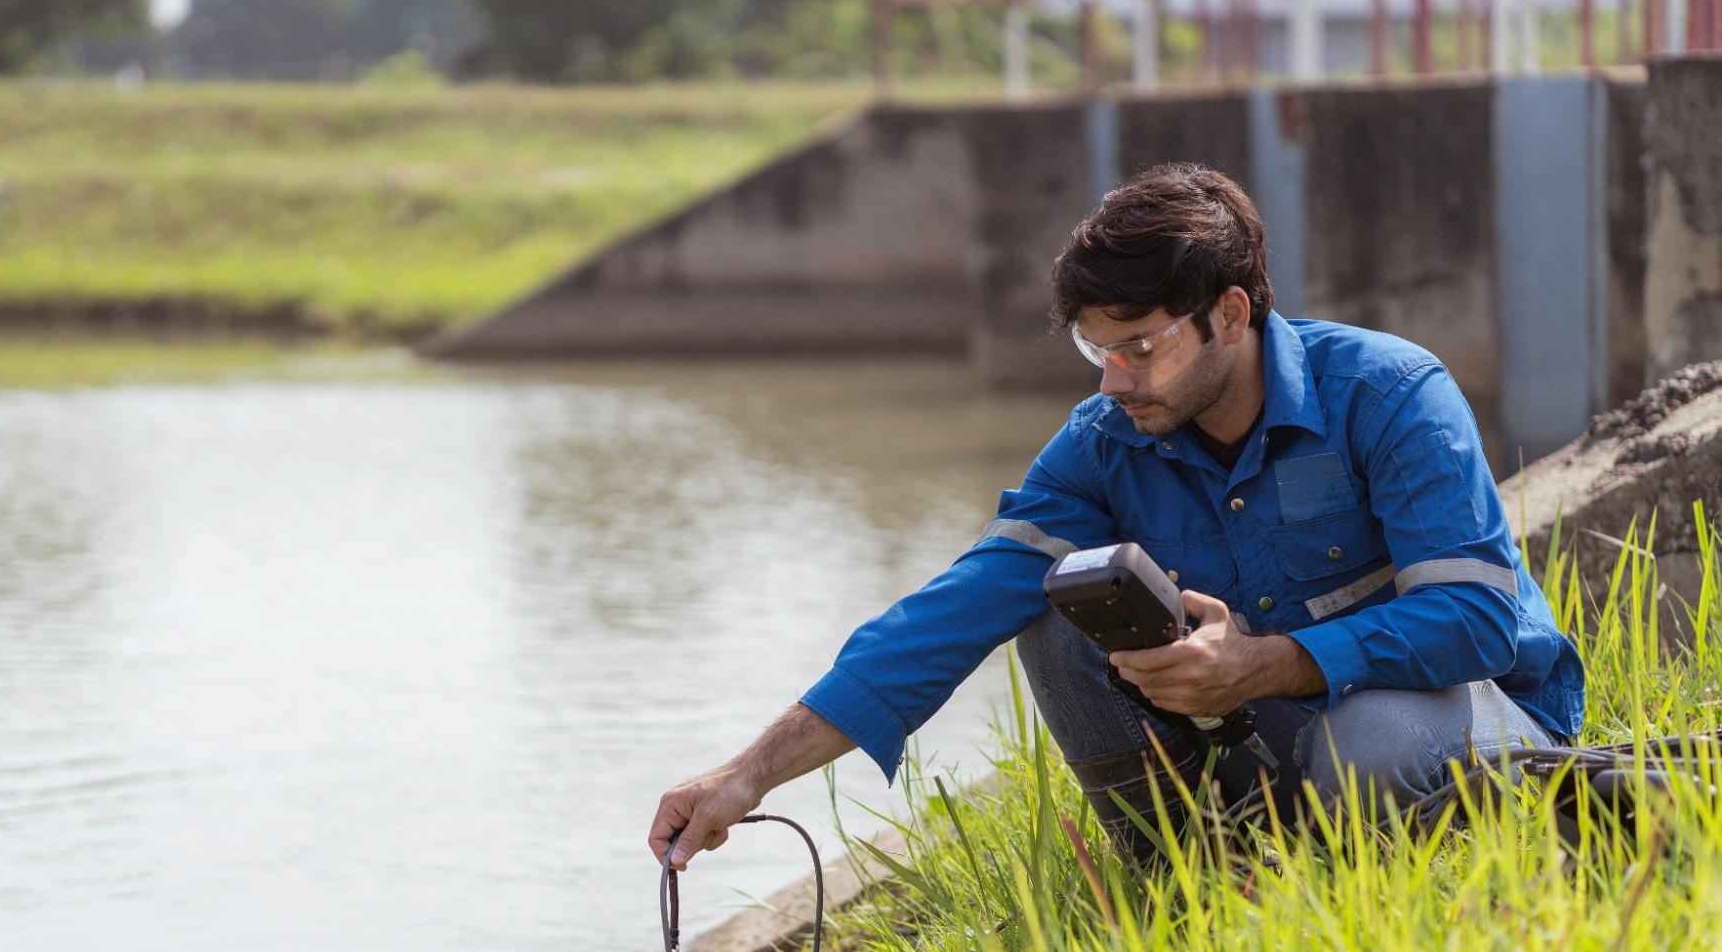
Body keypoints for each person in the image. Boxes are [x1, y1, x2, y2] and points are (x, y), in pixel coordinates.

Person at [646, 163, 1584, 871]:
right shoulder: (1102, 442)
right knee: (1055, 617)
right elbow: (943, 617)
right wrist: (747, 775)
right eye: (1097, 350)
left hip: (1470, 719)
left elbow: (1474, 620)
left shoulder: (1388, 393)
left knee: (1371, 747)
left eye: (1139, 346)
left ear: (1228, 312)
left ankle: (1409, 894)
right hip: (1279, 738)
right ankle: (1193, 883)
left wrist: (1266, 662)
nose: (1113, 379)